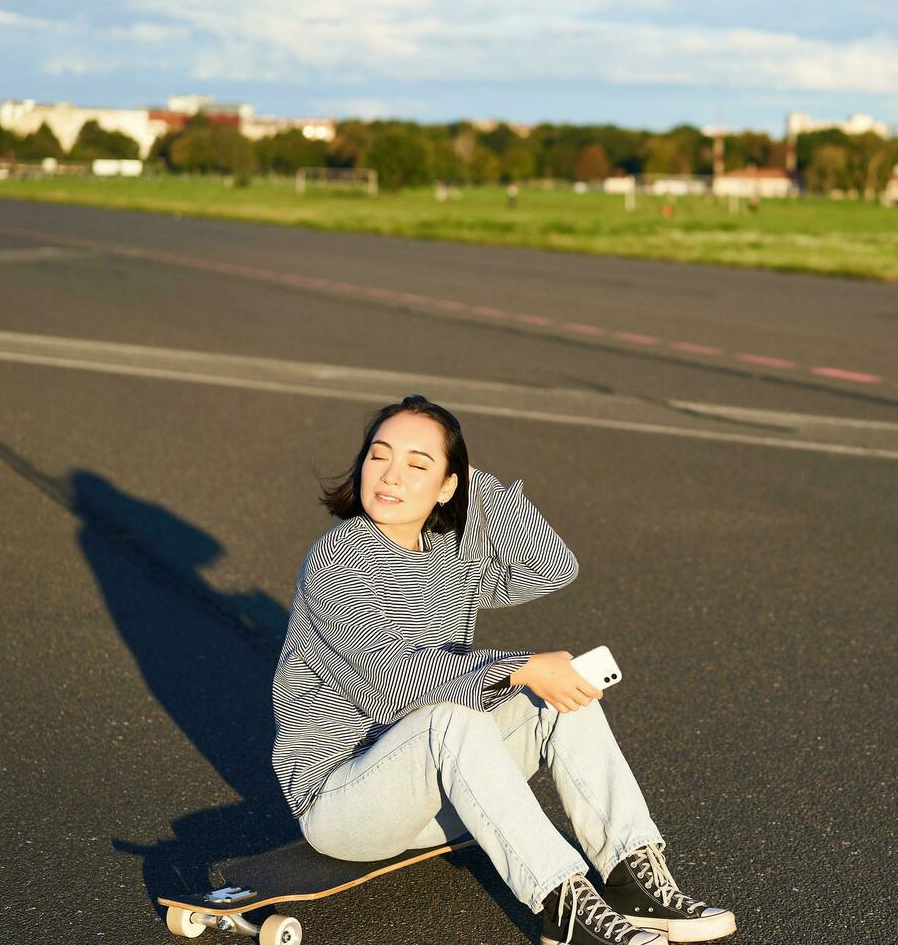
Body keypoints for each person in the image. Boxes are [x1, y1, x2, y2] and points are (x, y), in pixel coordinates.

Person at [271, 395, 735, 945]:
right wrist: (520, 667)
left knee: (564, 697)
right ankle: (564, 906)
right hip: (344, 803)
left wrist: (481, 489)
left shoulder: (446, 552)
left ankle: (633, 878)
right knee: (460, 716)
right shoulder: (337, 560)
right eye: (380, 457)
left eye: (418, 465)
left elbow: (553, 566)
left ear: (448, 485)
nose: (391, 476)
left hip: (433, 794)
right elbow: (393, 688)